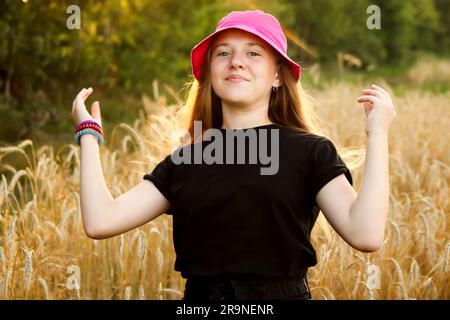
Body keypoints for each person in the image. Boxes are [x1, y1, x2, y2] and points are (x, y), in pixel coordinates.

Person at [71, 10, 396, 300]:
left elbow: (365, 234)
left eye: (253, 53)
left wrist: (377, 134)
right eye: (223, 53)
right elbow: (101, 221)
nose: (236, 61)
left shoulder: (310, 152)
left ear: (278, 76)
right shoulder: (186, 160)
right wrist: (88, 133)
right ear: (211, 73)